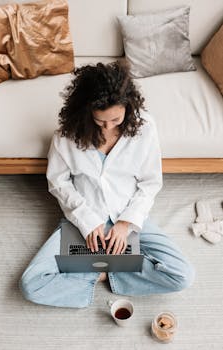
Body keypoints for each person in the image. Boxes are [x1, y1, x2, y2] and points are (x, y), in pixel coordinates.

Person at [19, 60, 195, 308]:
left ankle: (103, 271)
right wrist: (88, 223)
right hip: (83, 220)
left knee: (182, 275)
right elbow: (59, 183)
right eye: (101, 121)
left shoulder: (145, 129)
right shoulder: (66, 136)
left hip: (128, 216)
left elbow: (150, 182)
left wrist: (124, 224)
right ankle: (102, 273)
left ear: (128, 107)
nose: (109, 127)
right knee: (31, 283)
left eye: (116, 119)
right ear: (86, 110)